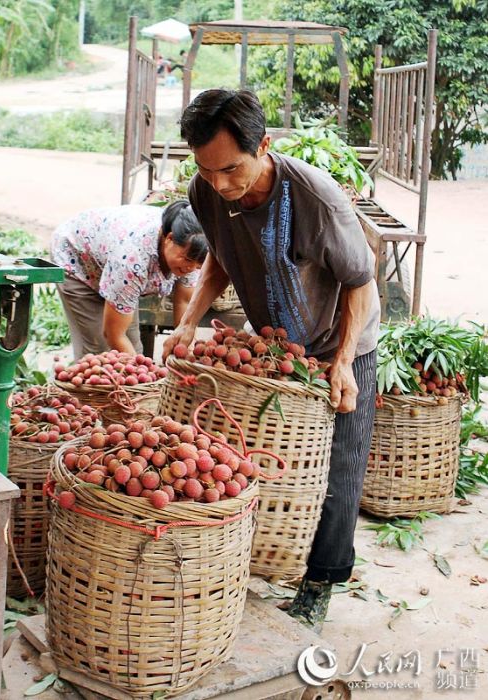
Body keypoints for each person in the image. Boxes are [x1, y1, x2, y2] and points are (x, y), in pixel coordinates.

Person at [162, 89, 380, 633]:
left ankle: (320, 584)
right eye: (206, 170)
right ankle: (261, 562)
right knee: (265, 458)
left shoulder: (315, 198)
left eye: (231, 169)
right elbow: (220, 258)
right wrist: (188, 322)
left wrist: (345, 362)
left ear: (264, 145)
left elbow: (359, 280)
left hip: (341, 338)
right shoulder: (206, 189)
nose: (220, 184)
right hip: (279, 340)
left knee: (339, 465)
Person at [51, 201, 207, 359]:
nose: (191, 268)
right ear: (169, 238)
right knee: (100, 352)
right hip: (77, 257)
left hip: (114, 266)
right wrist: (146, 373)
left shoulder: (194, 251)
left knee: (134, 349)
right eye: (187, 260)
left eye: (198, 265)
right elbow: (114, 335)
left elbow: (185, 303)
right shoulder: (133, 260)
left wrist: (185, 348)